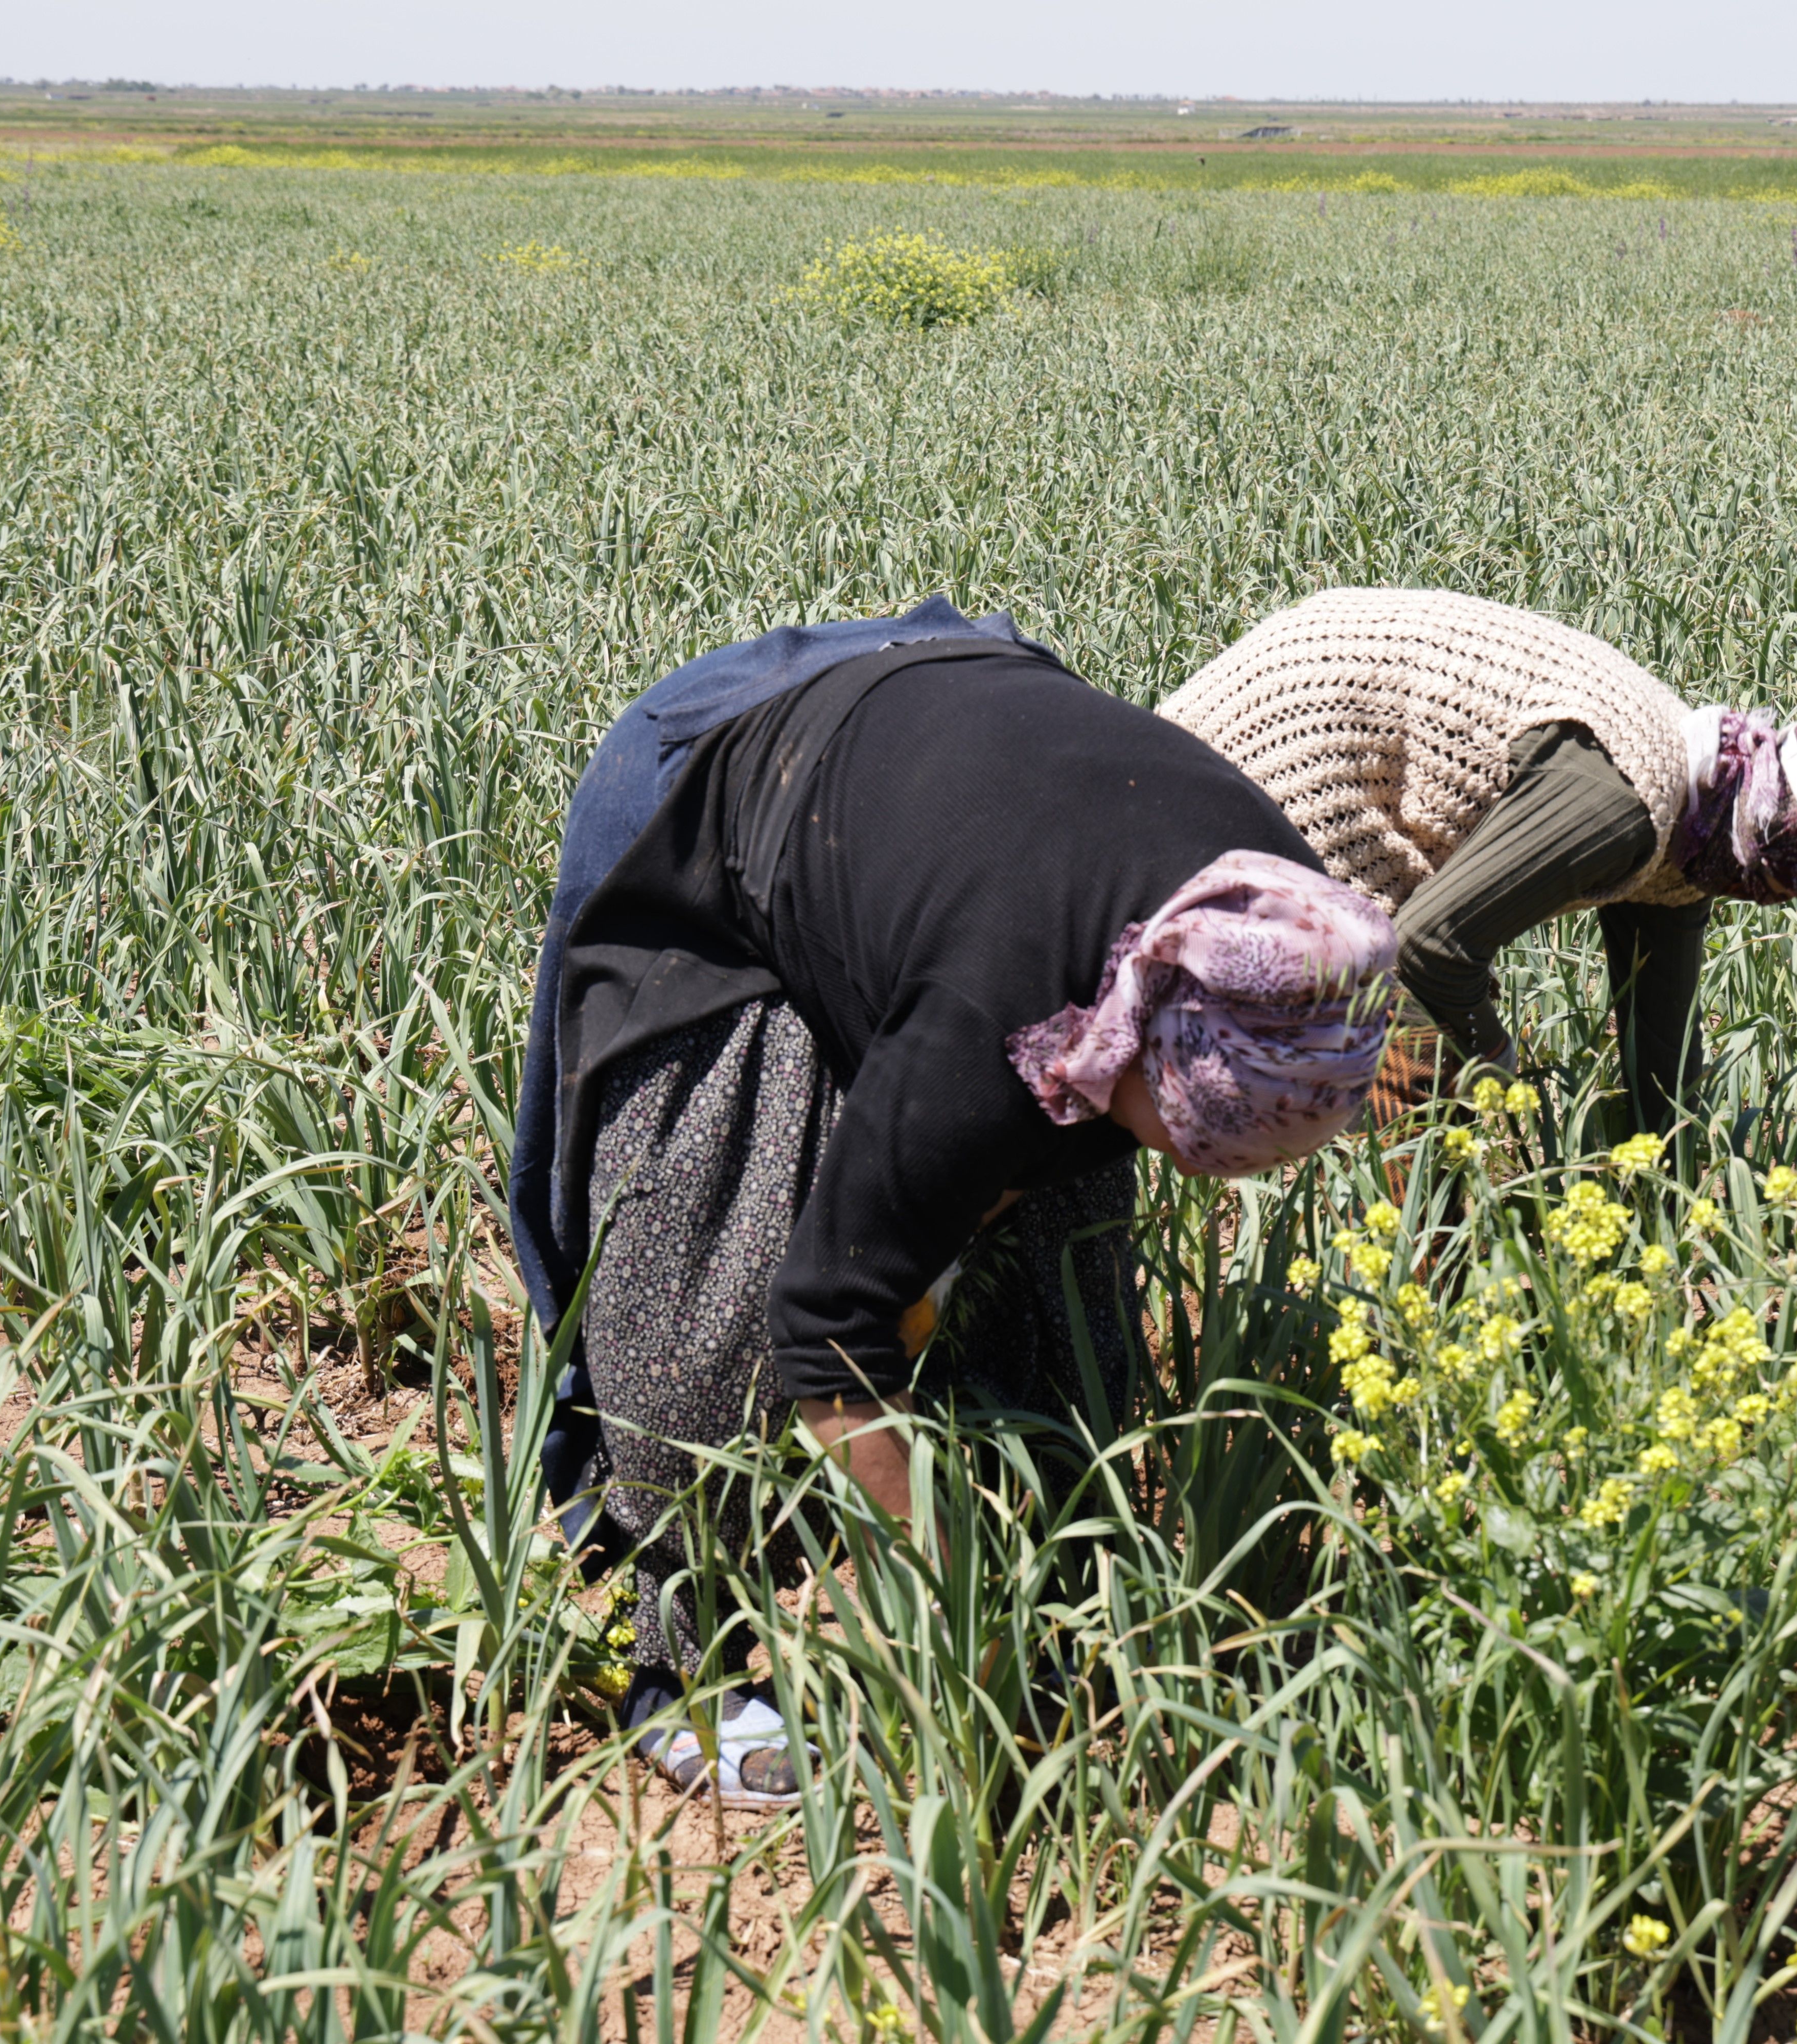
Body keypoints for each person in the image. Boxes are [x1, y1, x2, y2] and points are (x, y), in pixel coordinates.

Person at [510, 597, 1396, 1805]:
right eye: (1197, 1144)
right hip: (727, 778)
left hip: (966, 744)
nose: (1205, 1177)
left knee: (1059, 1276)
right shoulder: (1003, 1010)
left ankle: (1054, 1586)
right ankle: (684, 1668)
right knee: (713, 1265)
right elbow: (827, 1328)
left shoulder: (1283, 931)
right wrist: (947, 1604)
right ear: (1126, 1039)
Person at [1159, 588, 1797, 1137]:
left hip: (1349, 742)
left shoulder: (1695, 837)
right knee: (1406, 1051)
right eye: (1795, 887)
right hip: (1293, 746)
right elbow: (1428, 948)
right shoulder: (1626, 804)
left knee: (1428, 1053)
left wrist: (1675, 1172)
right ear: (1768, 844)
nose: (1779, 905)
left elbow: (1662, 1050)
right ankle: (1423, 1290)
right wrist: (1495, 1062)